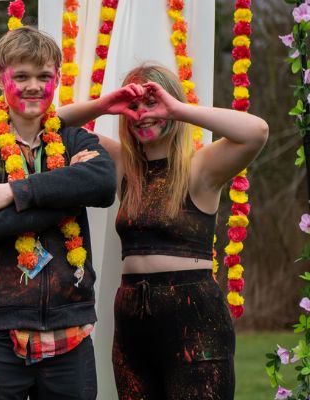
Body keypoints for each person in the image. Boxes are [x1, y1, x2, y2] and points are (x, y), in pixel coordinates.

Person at [58, 64, 269, 399]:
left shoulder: (200, 167)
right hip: (131, 323)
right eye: (135, 107)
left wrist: (178, 109)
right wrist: (105, 104)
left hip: (194, 321)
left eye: (153, 104)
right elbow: (49, 127)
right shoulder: (122, 164)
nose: (143, 115)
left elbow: (256, 131)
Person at [0, 26, 116, 399]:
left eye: (44, 76)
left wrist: (13, 191)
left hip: (69, 333)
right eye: (21, 76)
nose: (33, 86)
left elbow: (103, 185)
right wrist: (71, 193)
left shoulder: (73, 138)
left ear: (56, 77)